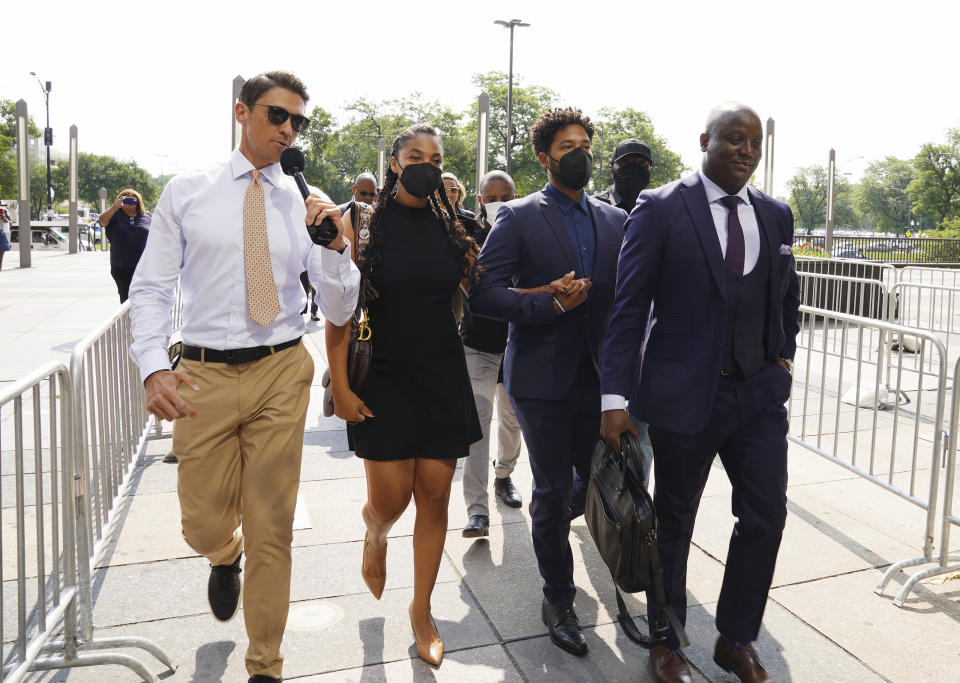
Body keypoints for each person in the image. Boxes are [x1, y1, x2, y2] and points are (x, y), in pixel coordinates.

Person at [128, 70, 360, 683]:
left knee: (272, 526)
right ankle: (222, 555)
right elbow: (150, 288)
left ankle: (266, 665)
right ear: (242, 113)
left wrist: (338, 252)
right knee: (201, 521)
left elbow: (338, 310)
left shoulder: (308, 204)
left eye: (298, 122)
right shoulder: (188, 191)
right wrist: (154, 368)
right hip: (202, 374)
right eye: (276, 116)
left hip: (282, 371)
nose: (288, 130)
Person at [599, 103, 800, 683]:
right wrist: (615, 400)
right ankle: (667, 641)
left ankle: (736, 639)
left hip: (758, 397)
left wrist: (781, 361)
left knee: (765, 515)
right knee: (674, 521)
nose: (746, 151)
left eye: (754, 143)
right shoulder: (660, 208)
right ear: (705, 140)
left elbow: (785, 295)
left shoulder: (776, 214)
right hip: (686, 398)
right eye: (734, 139)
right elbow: (630, 309)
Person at [469, 107, 627, 657]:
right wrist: (548, 303)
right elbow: (484, 297)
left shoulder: (614, 222)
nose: (579, 152)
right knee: (553, 488)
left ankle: (553, 530)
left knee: (593, 487)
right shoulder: (517, 217)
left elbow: (627, 307)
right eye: (567, 145)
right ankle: (558, 596)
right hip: (540, 380)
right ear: (544, 157)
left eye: (585, 142)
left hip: (601, 382)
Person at [329, 123, 481, 667]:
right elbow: (338, 310)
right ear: (394, 163)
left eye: (435, 157)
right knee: (391, 500)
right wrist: (341, 388)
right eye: (414, 155)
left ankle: (422, 609)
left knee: (436, 497)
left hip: (441, 372)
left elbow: (486, 290)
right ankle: (374, 531)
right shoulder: (364, 222)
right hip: (385, 373)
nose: (426, 163)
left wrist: (545, 296)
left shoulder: (454, 226)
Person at [459, 170, 524, 539]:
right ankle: (477, 511)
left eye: (506, 195)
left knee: (512, 423)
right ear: (480, 199)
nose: (499, 201)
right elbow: (469, 286)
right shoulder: (468, 236)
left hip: (516, 345)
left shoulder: (525, 229)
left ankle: (505, 476)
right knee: (478, 429)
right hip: (478, 346)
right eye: (492, 195)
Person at [99, 189, 151, 302]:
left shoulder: (146, 218)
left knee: (143, 299)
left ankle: (140, 319)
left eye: (133, 199)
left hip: (143, 267)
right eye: (125, 199)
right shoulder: (114, 217)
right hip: (122, 266)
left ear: (138, 202)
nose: (129, 202)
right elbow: (102, 221)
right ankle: (129, 320)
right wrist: (115, 206)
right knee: (126, 298)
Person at [594, 138, 653, 212]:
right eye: (625, 162)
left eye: (641, 162)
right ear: (611, 170)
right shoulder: (594, 206)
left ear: (650, 170)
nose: (634, 168)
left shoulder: (657, 208)